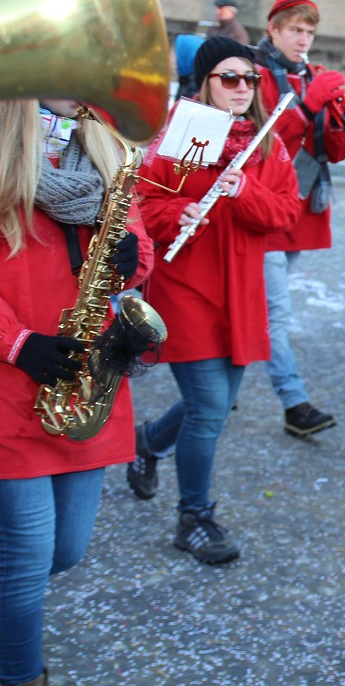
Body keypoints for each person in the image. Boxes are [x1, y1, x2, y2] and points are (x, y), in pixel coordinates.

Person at [125, 37, 302, 564]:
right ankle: (194, 516)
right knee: (208, 409)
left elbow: (286, 214)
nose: (242, 89)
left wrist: (241, 191)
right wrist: (180, 214)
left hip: (240, 292)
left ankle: (150, 442)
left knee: (219, 403)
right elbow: (141, 203)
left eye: (249, 79)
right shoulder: (180, 138)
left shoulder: (268, 145)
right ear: (205, 82)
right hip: (188, 289)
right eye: (229, 78)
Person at [0, 99, 152, 686]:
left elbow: (138, 253)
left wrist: (134, 261)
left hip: (86, 379)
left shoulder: (108, 151)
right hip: (13, 383)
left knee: (65, 552)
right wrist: (16, 344)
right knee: (27, 561)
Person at [254, 0, 345, 438]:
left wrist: (340, 125)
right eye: (295, 29)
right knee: (274, 312)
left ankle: (218, 373)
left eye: (309, 31)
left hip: (302, 204)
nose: (303, 38)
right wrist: (310, 104)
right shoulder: (253, 74)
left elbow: (333, 150)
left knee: (260, 303)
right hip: (265, 204)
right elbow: (261, 141)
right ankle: (293, 401)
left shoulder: (309, 74)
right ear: (272, 30)